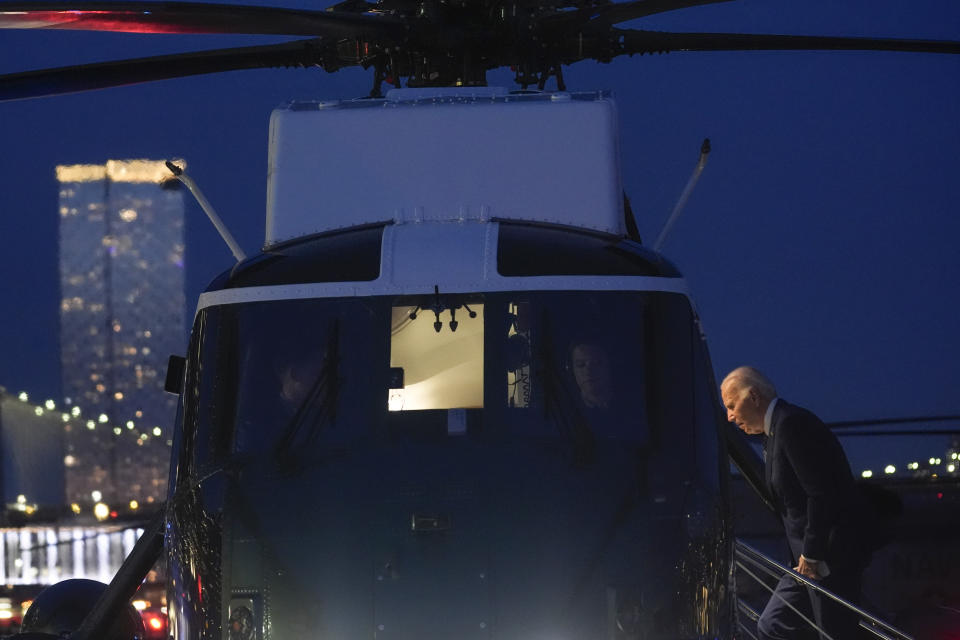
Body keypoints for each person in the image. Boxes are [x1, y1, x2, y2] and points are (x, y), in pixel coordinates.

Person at [721, 366, 865, 640]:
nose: (729, 416)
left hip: (824, 557)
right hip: (805, 560)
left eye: (731, 405)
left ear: (753, 397)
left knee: (830, 632)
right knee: (772, 624)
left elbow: (820, 493)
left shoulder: (791, 425)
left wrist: (812, 554)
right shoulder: (778, 430)